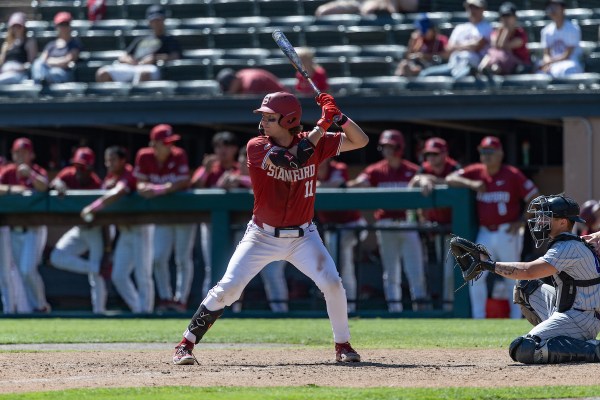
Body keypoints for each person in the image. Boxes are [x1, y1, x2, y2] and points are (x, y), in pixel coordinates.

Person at [172, 91, 369, 365]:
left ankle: (343, 345)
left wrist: (339, 117)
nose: (263, 121)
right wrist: (323, 124)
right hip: (262, 235)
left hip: (304, 236)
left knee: (332, 283)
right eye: (263, 116)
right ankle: (185, 344)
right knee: (229, 288)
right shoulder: (257, 145)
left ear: (289, 120)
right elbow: (293, 160)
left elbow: (361, 140)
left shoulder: (315, 143)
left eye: (270, 117)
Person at [476, 194, 600, 364]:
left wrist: (487, 265)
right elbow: (527, 277)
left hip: (580, 319)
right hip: (571, 310)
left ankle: (593, 350)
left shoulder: (567, 246)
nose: (540, 221)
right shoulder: (569, 242)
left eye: (546, 216)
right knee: (524, 286)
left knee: (523, 348)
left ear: (563, 222)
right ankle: (555, 337)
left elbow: (529, 270)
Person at [191, 132, 289, 313]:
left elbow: (263, 182)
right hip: (215, 225)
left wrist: (238, 180)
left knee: (250, 272)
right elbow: (194, 187)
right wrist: (207, 172)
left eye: (227, 146)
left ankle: (270, 312)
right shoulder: (210, 168)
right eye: (219, 146)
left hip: (255, 227)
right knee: (213, 269)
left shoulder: (241, 170)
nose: (222, 150)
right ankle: (208, 311)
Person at [446, 136, 539, 319]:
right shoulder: (477, 171)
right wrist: (471, 183)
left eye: (490, 152)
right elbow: (449, 178)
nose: (486, 156)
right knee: (476, 274)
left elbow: (535, 198)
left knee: (512, 276)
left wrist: (521, 221)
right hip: (485, 232)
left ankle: (516, 318)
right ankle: (478, 318)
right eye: (483, 152)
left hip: (506, 232)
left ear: (500, 153)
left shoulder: (511, 173)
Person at [348, 129, 428, 313]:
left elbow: (424, 181)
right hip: (385, 224)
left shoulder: (412, 170)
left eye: (391, 147)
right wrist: (345, 185)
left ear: (399, 148)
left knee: (415, 270)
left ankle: (422, 310)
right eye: (385, 147)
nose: (387, 151)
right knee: (391, 271)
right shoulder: (376, 170)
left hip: (408, 224)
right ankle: (394, 310)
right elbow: (360, 182)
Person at [80, 146, 154, 313]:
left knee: (143, 274)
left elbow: (118, 191)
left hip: (140, 228)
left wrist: (93, 207)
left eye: (113, 160)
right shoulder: (110, 177)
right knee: (118, 275)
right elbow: (108, 188)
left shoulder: (130, 174)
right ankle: (138, 309)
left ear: (122, 160)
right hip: (125, 231)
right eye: (107, 160)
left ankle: (146, 312)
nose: (109, 164)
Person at [134, 124, 193, 313]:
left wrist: (160, 189)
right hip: (162, 215)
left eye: (170, 142)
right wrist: (143, 188)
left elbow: (184, 180)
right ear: (154, 143)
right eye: (164, 143)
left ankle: (181, 299)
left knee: (182, 258)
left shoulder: (179, 154)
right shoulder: (144, 155)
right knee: (158, 257)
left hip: (185, 212)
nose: (169, 146)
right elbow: (140, 183)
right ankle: (166, 297)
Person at [49, 147, 110, 314]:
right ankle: (94, 267)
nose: (79, 170)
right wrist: (59, 184)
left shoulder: (97, 183)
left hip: (97, 229)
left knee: (96, 278)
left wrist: (107, 250)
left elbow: (106, 221)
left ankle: (99, 312)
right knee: (57, 257)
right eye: (77, 166)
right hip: (79, 229)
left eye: (83, 167)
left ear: (90, 168)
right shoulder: (68, 173)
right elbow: (54, 182)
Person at [408, 137, 461, 310]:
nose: (431, 157)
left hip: (454, 229)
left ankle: (449, 308)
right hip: (432, 229)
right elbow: (411, 186)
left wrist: (431, 179)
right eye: (428, 154)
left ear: (445, 154)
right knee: (431, 272)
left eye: (435, 154)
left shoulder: (454, 167)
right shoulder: (424, 168)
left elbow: (458, 182)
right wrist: (421, 179)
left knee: (449, 274)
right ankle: (432, 307)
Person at [0, 138, 50, 313]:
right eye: (17, 152)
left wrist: (30, 174)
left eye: (24, 152)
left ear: (31, 154)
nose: (20, 156)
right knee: (20, 274)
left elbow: (44, 187)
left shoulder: (37, 171)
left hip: (34, 228)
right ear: (12, 154)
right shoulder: (7, 173)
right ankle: (30, 310)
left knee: (27, 269)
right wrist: (12, 190)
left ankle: (41, 305)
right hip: (13, 230)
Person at [317, 158, 367, 313]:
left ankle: (349, 307)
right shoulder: (307, 168)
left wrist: (317, 186)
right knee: (331, 266)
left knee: (344, 263)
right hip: (331, 227)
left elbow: (337, 184)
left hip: (352, 223)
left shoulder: (339, 167)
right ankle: (336, 306)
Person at [95, 5, 182, 84]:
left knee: (143, 74)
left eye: (158, 20)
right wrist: (130, 60)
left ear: (163, 20)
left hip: (152, 67)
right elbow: (123, 56)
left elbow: (175, 56)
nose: (156, 23)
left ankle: (132, 100)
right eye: (153, 20)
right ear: (149, 22)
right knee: (102, 73)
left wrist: (155, 58)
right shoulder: (141, 39)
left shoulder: (169, 39)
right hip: (132, 67)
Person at [419, 0, 492, 79]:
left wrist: (457, 46)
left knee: (457, 80)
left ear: (483, 9)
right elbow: (448, 49)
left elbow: (477, 46)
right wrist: (469, 45)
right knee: (424, 74)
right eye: (470, 7)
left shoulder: (487, 27)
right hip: (453, 66)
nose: (472, 10)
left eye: (476, 8)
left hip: (471, 66)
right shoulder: (460, 28)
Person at [478, 2, 531, 76]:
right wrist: (501, 31)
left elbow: (503, 46)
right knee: (491, 53)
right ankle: (482, 69)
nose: (506, 19)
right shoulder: (497, 31)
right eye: (503, 16)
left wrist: (506, 31)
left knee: (500, 53)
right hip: (501, 62)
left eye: (509, 16)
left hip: (520, 65)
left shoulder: (520, 33)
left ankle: (493, 69)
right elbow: (494, 45)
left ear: (515, 17)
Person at [31, 12, 81, 84]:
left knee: (54, 72)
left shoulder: (74, 44)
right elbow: (42, 60)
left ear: (70, 26)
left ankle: (42, 82)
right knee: (37, 63)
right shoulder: (51, 45)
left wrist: (50, 61)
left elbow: (66, 62)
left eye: (66, 24)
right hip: (48, 71)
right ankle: (40, 82)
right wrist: (54, 62)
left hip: (63, 73)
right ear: (56, 27)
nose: (63, 27)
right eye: (61, 25)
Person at [538, 0, 583, 77]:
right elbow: (546, 53)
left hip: (569, 62)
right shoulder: (546, 31)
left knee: (568, 71)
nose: (552, 9)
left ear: (563, 9)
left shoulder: (573, 28)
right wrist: (546, 61)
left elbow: (567, 55)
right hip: (553, 63)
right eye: (550, 7)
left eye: (555, 6)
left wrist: (550, 61)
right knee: (540, 72)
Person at [0, 12, 38, 84]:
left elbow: (31, 64)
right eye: (14, 26)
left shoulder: (29, 43)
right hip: (4, 73)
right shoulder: (6, 45)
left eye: (19, 26)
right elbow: (1, 62)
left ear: (23, 27)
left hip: (20, 75)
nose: (16, 29)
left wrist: (18, 68)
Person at [216, 68, 287, 95]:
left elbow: (250, 107)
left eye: (229, 87)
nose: (230, 91)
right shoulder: (241, 74)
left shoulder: (250, 83)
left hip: (284, 105)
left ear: (234, 81)